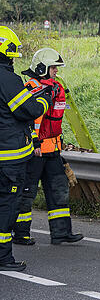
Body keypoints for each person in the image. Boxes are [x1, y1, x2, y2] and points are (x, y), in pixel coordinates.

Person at [13, 48, 83, 246]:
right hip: (35, 151)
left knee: (59, 190)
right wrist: (34, 142)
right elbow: (28, 120)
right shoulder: (31, 88)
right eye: (53, 68)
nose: (56, 71)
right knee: (27, 193)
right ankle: (21, 234)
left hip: (52, 150)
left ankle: (61, 233)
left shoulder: (54, 87)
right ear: (42, 67)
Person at [0, 26, 51, 271]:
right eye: (11, 53)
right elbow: (28, 110)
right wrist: (44, 99)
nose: (13, 57)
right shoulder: (7, 80)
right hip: (8, 159)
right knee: (8, 206)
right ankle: (3, 257)